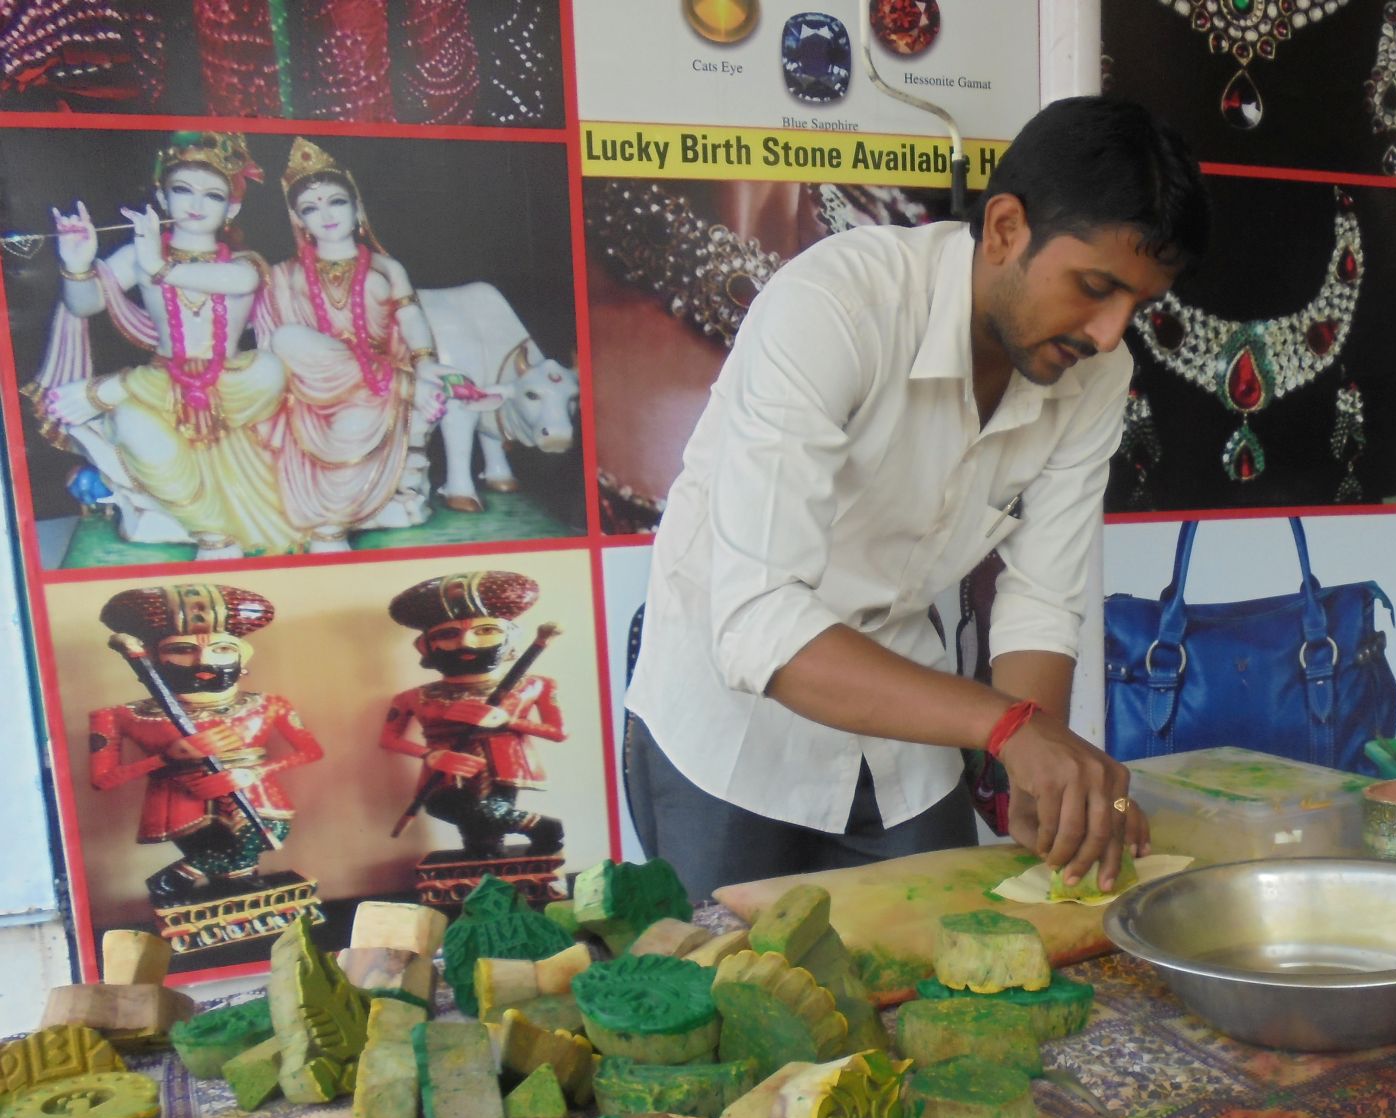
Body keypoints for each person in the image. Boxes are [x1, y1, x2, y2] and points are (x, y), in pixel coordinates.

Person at [624, 96, 1211, 903]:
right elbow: (757, 620)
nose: (1110, 334)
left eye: (1136, 307)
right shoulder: (835, 308)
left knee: (950, 973)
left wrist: (1039, 779)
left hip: (908, 720)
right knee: (733, 997)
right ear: (1004, 228)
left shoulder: (1093, 373)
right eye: (1094, 287)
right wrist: (1009, 728)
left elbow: (1041, 598)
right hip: (730, 727)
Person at [30, 131, 301, 559]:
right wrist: (77, 265)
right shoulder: (142, 255)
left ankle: (112, 388)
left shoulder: (244, 262)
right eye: (182, 190)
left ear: (232, 206)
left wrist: (158, 267)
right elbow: (85, 306)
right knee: (132, 426)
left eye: (212, 195)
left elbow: (237, 282)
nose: (195, 204)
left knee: (270, 368)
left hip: (233, 388)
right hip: (165, 382)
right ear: (161, 195)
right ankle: (212, 532)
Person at [254, 138, 456, 551]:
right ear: (298, 219)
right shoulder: (283, 274)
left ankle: (332, 525)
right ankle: (408, 390)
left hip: (374, 394)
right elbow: (274, 343)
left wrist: (425, 363)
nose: (325, 215)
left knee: (355, 427)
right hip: (312, 391)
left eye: (336, 202)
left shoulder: (386, 267)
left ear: (357, 207)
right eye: (311, 207)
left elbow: (410, 317)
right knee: (287, 339)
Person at [88, 581, 323, 905]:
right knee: (237, 868)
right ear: (155, 659)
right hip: (182, 808)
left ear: (242, 659)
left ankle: (180, 877)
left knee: (253, 849)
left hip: (260, 799)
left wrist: (255, 773)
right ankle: (204, 889)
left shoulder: (269, 704)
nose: (204, 661)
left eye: (222, 648)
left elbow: (310, 750)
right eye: (182, 649)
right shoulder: (120, 715)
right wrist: (168, 757)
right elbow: (103, 779)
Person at [382, 570, 567, 860]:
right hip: (443, 773)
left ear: (510, 637)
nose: (466, 643)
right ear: (424, 646)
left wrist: (508, 721)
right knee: (446, 808)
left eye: (485, 631)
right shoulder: (412, 697)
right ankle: (543, 829)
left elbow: (558, 732)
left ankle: (534, 843)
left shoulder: (533, 686)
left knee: (483, 840)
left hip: (504, 771)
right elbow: (389, 739)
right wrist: (429, 756)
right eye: (448, 634)